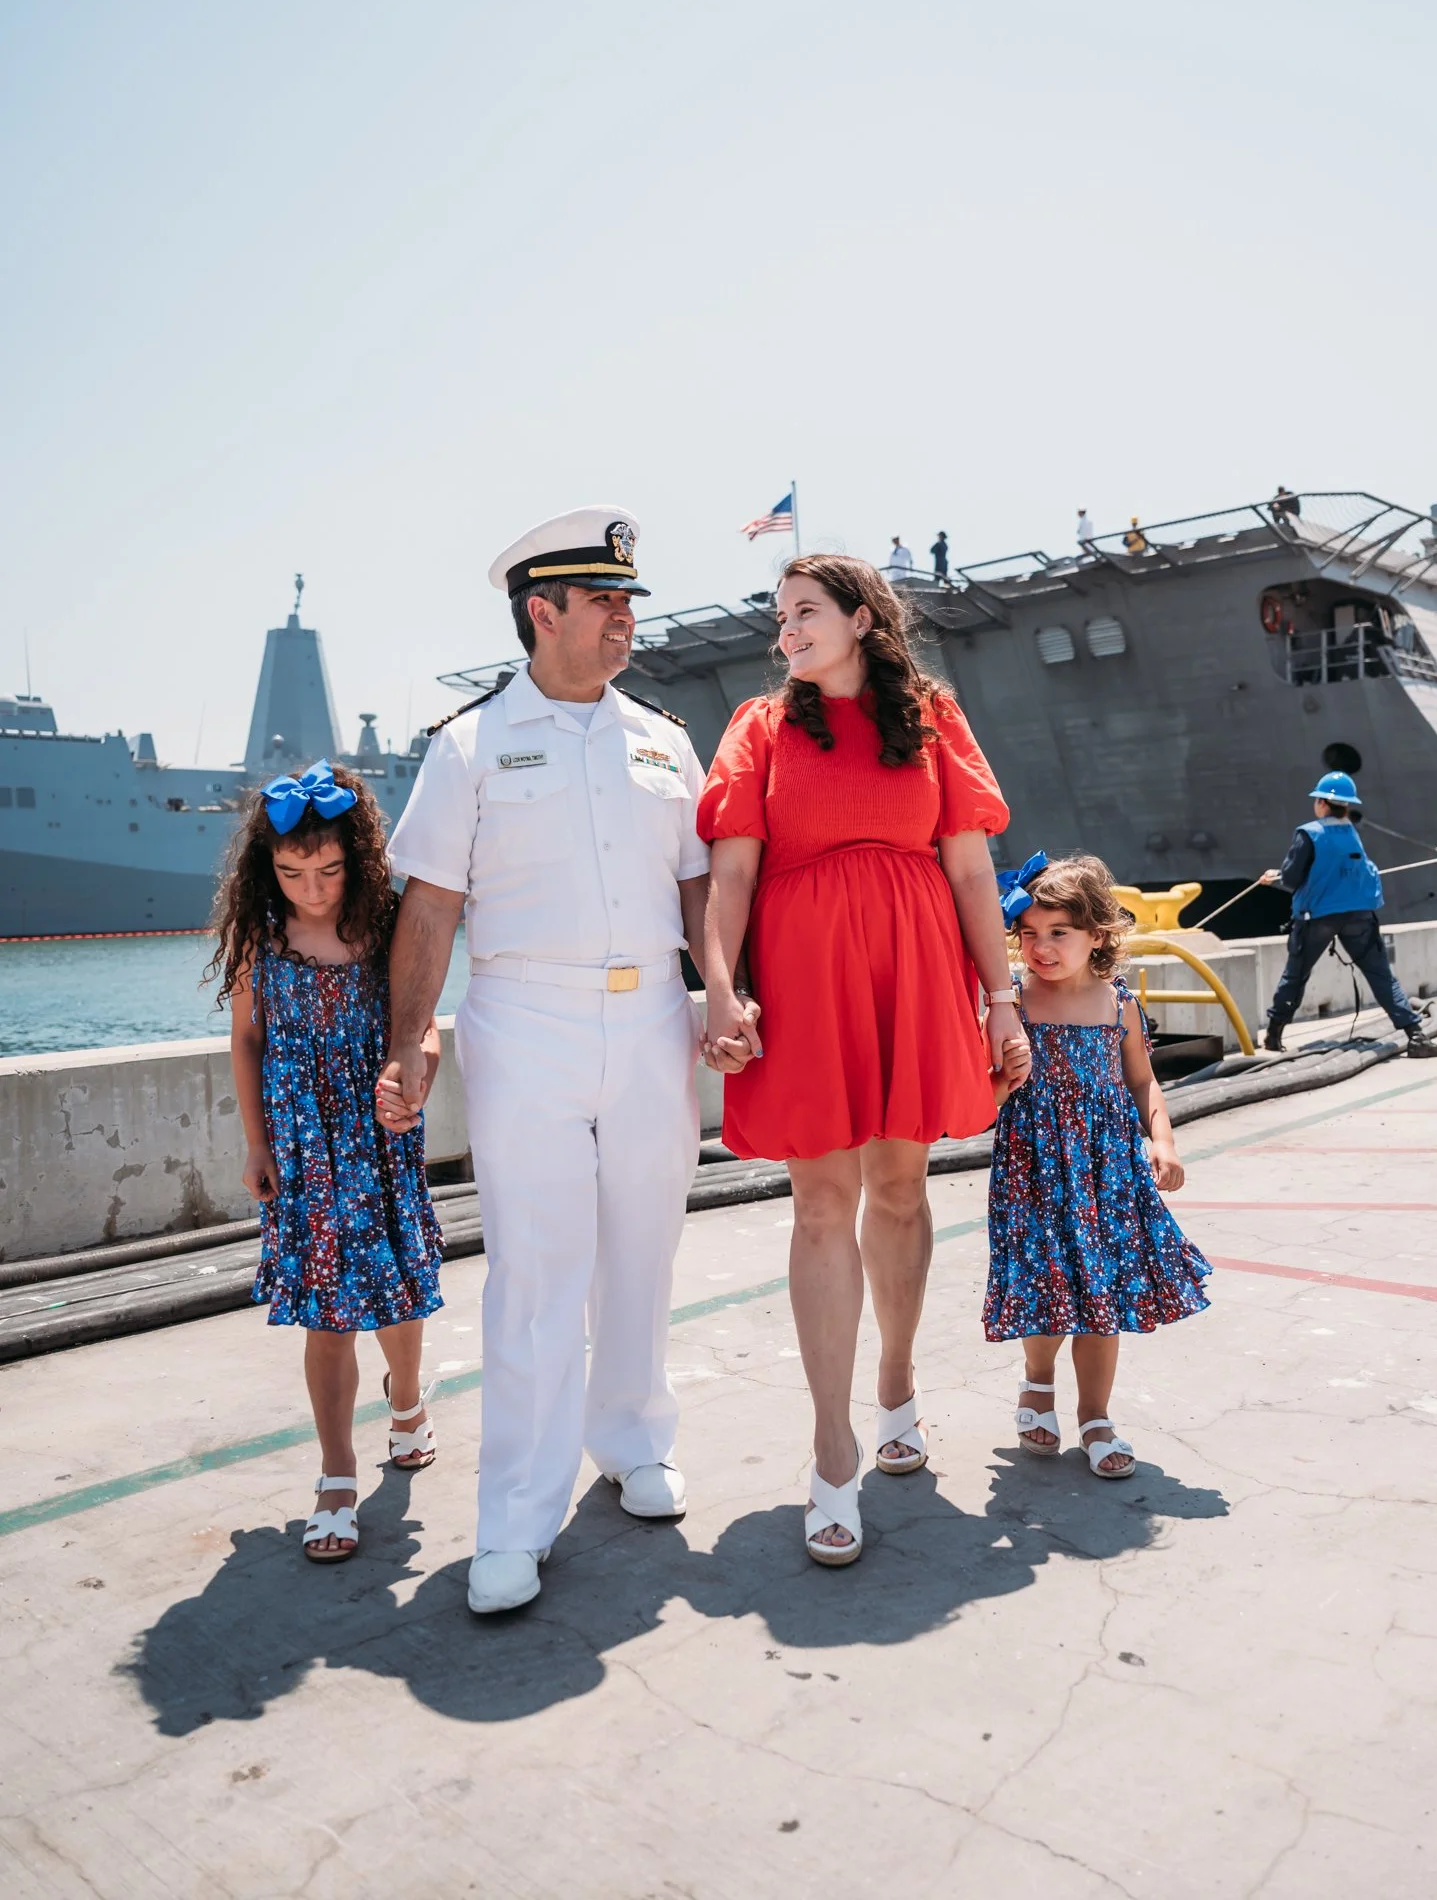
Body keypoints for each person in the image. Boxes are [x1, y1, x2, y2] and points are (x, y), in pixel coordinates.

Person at [381, 507, 753, 1617]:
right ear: (542, 612)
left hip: (650, 1023)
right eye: (605, 601)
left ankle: (634, 1441)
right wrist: (408, 1038)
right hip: (524, 1022)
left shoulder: (661, 738)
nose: (626, 619)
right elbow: (433, 904)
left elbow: (699, 888)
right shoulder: (470, 745)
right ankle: (517, 1515)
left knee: (644, 1250)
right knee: (537, 1275)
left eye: (629, 600)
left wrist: (719, 990)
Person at [699, 554, 1025, 1567]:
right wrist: (719, 986)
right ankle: (831, 1444)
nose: (785, 629)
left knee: (899, 1188)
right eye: (778, 615)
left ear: (859, 618)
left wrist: (1001, 998)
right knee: (818, 1202)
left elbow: (971, 867)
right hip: (805, 978)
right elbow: (731, 875)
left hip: (915, 969)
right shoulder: (759, 727)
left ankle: (895, 1380)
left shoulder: (932, 716)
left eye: (804, 611)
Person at [213, 761, 445, 1564]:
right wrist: (256, 1141)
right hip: (303, 1143)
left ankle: (408, 1403)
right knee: (325, 1310)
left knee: (395, 1291)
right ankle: (337, 1474)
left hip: (378, 1135)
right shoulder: (259, 935)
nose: (310, 890)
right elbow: (246, 1039)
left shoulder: (387, 924)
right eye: (290, 873)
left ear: (358, 858)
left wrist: (414, 1081)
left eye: (328, 871)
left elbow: (424, 1026)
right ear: (265, 870)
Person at [986, 853, 1211, 1477]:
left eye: (1059, 933)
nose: (1042, 948)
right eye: (1028, 933)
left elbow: (1143, 1082)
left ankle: (1096, 1416)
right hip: (1034, 1174)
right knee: (1047, 1285)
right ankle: (1037, 1381)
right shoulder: (1010, 1005)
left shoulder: (1120, 1007)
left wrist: (1162, 1140)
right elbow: (981, 1103)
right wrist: (1003, 1082)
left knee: (1102, 1291)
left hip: (1108, 1175)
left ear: (1099, 936)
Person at [1260, 772, 1435, 1056]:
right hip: (1359, 916)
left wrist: (1276, 876)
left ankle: (1273, 1035)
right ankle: (1416, 1036)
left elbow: (1292, 878)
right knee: (1381, 975)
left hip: (1317, 916)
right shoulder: (1351, 832)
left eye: (1317, 799)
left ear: (1324, 803)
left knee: (1296, 976)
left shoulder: (1309, 832)